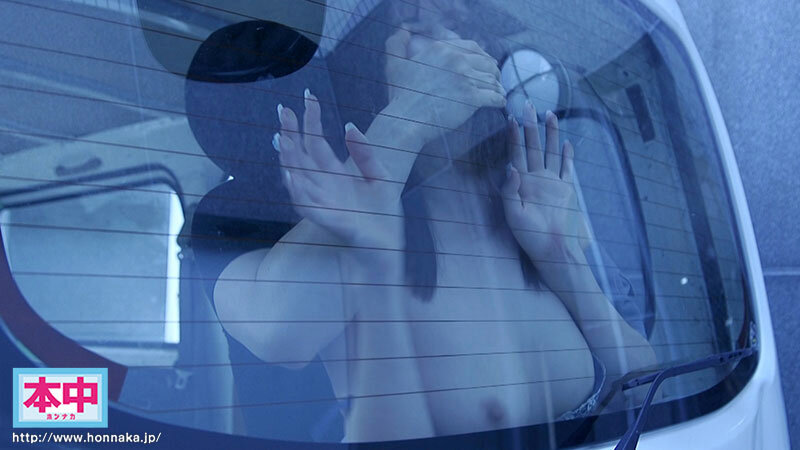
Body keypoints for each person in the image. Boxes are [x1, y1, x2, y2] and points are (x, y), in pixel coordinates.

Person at [213, 9, 657, 442]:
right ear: (366, 68)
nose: (455, 48)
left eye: (461, 25)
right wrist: (409, 116)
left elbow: (644, 390)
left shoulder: (532, 201)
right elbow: (279, 334)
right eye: (418, 28)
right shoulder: (345, 230)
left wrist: (560, 255)